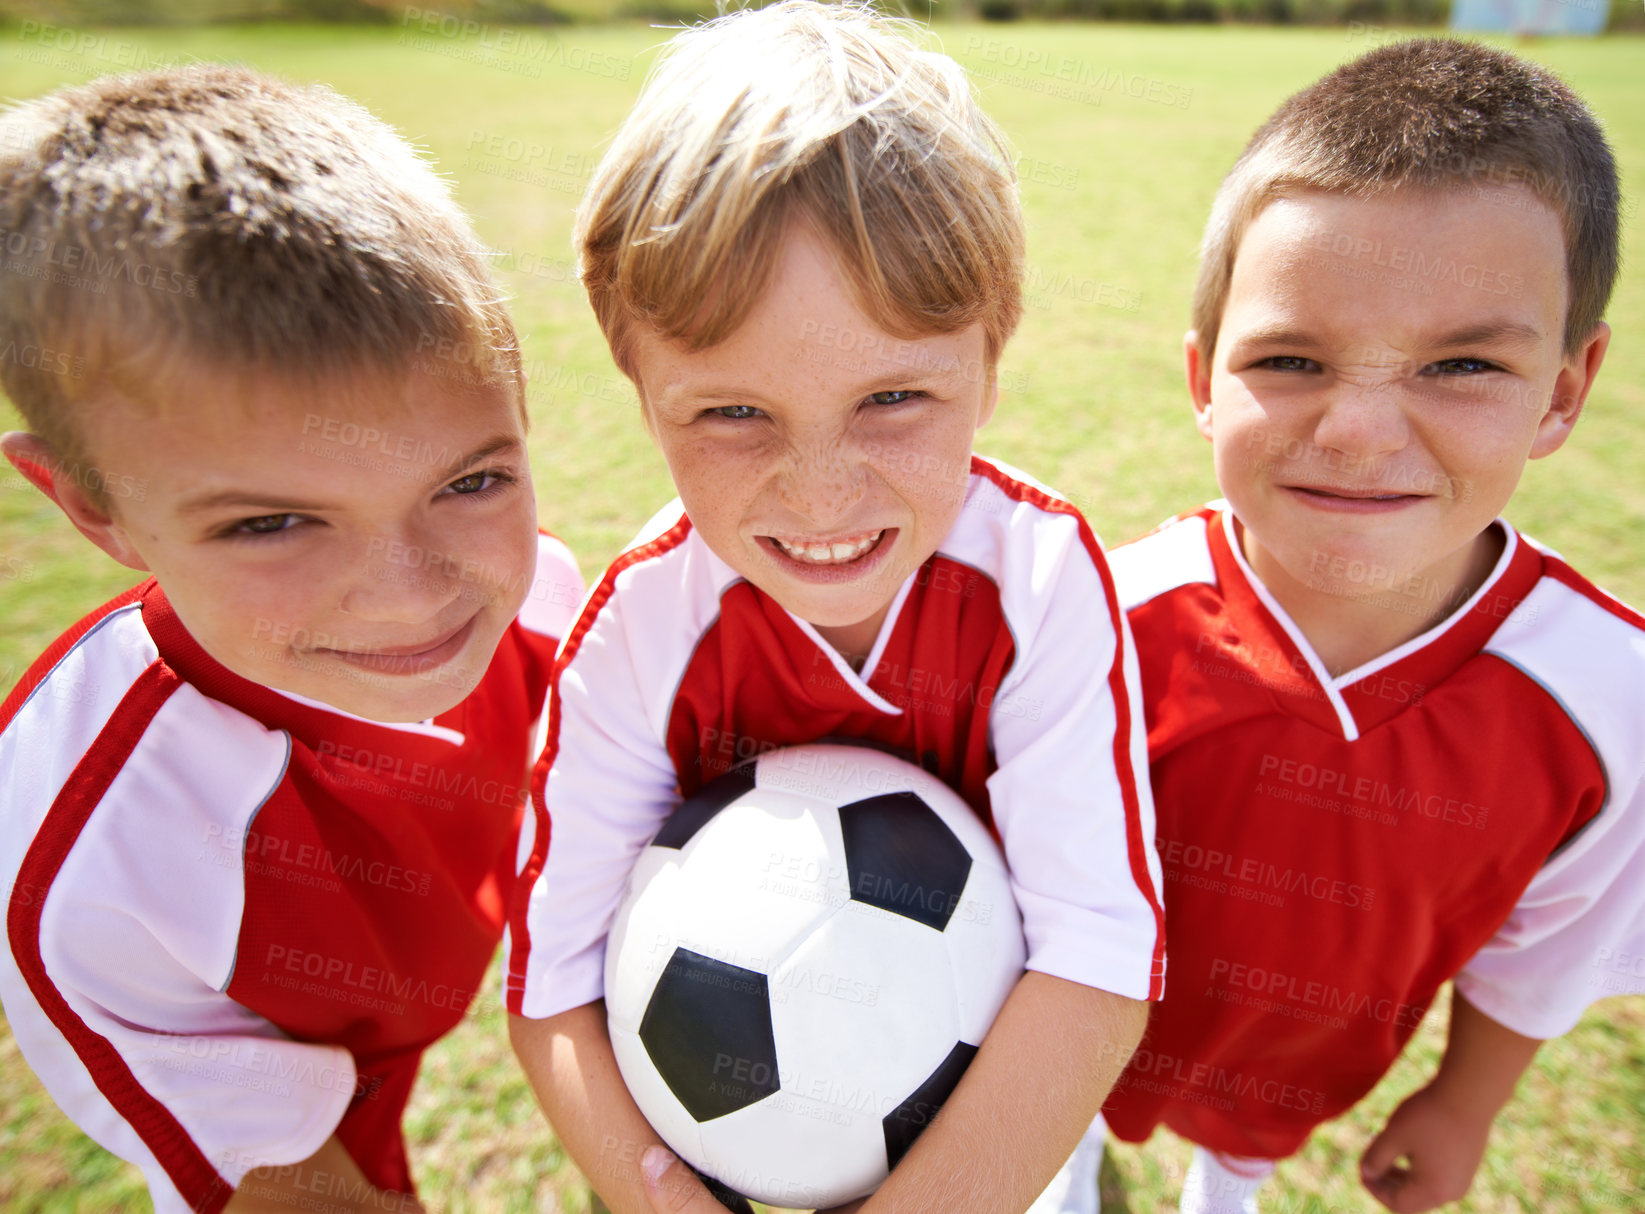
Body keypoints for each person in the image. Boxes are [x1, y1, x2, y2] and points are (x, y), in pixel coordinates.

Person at [504, 4, 1166, 1211]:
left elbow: (1099, 954)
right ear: (634, 374)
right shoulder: (640, 635)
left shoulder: (1039, 584)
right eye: (730, 413)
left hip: (1007, 1151)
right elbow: (549, 991)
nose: (818, 490)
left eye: (894, 397)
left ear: (992, 356)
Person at [1034, 37, 1645, 1214]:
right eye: (1292, 357)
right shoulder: (1101, 620)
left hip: (1315, 1062)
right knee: (1071, 1103)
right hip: (1083, 1026)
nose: (1360, 429)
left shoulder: (1609, 693)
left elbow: (1550, 936)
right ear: (1206, 376)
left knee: (1249, 1140)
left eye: (1461, 362)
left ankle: (1231, 1184)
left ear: (1564, 389)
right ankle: (1065, 1167)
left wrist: (1463, 1099)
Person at [0, 65, 584, 1213]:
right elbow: (296, 1192)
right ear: (90, 505)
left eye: (468, 480)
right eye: (270, 522)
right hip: (306, 1055)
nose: (408, 594)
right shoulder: (97, 867)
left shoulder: (542, 598)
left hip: (418, 972)